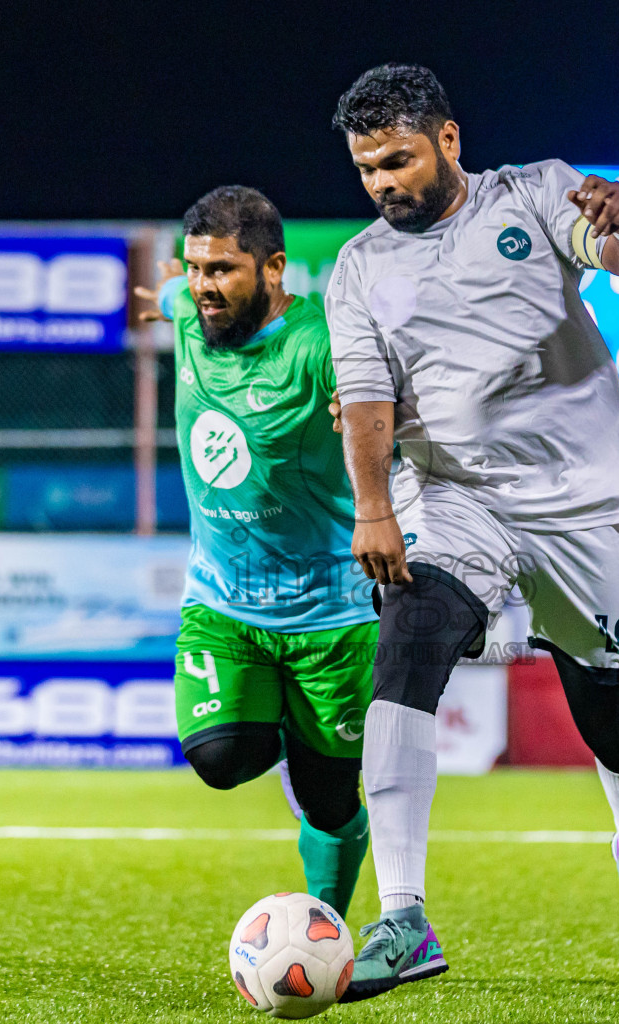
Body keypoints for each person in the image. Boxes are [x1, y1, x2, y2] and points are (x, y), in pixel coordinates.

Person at [325, 64, 619, 999]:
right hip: (455, 499)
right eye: (366, 169)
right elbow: (364, 400)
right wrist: (374, 507)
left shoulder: (533, 194)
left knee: (615, 727)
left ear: (448, 139)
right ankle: (404, 917)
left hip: (579, 509)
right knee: (407, 639)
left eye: (398, 160)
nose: (383, 183)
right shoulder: (358, 268)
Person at [134, 186, 374, 919]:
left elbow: (386, 406)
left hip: (334, 614)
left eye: (222, 271)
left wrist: (368, 406)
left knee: (329, 796)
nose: (203, 286)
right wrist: (167, 297)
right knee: (220, 758)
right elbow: (175, 297)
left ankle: (324, 932)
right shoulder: (190, 310)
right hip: (223, 604)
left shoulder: (322, 344)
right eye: (195, 268)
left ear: (273, 268)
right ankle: (286, 731)